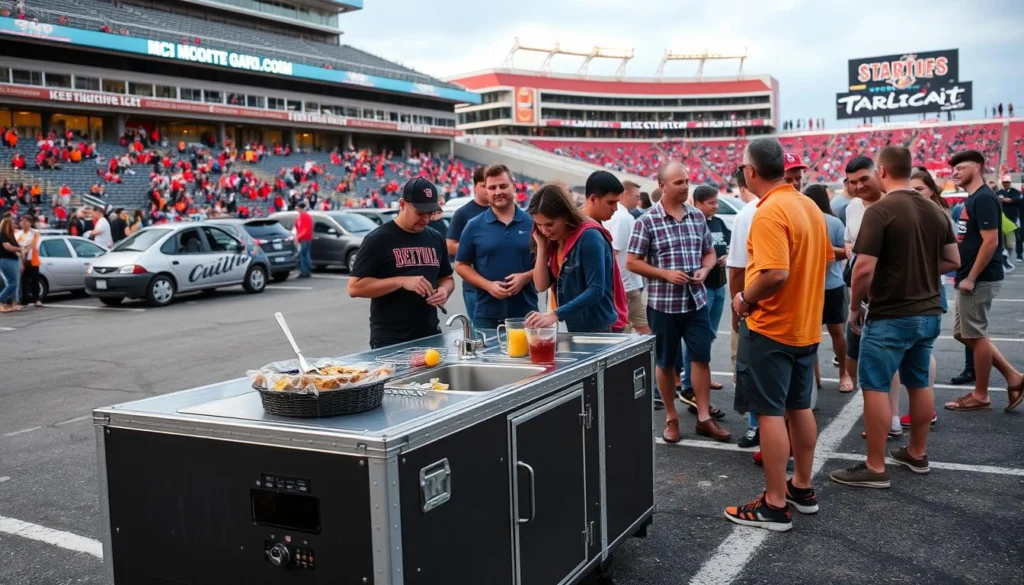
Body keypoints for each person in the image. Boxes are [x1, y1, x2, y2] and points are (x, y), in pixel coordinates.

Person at [831, 147, 960, 488]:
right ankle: (917, 453)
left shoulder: (881, 209)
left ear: (882, 171)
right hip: (929, 311)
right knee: (918, 382)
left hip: (891, 313)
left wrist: (855, 307)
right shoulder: (934, 210)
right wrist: (915, 270)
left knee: (874, 386)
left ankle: (875, 467)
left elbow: (863, 270)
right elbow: (952, 260)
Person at [725, 138, 832, 532]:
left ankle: (774, 503)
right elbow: (820, 260)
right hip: (804, 325)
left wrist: (742, 300)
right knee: (799, 407)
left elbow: (775, 272)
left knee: (770, 413)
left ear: (751, 171)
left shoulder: (768, 211)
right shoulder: (808, 206)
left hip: (772, 327)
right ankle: (801, 486)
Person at [626, 162, 729, 443]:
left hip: (695, 301)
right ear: (662, 186)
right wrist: (665, 274)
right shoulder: (646, 220)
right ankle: (671, 418)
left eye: (686, 180)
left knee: (701, 357)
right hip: (663, 305)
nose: (685, 186)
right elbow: (632, 262)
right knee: (666, 362)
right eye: (678, 182)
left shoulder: (697, 216)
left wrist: (705, 269)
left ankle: (704, 418)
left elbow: (709, 253)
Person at [944, 151, 1024, 412]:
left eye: (960, 167)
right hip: (968, 276)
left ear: (977, 167)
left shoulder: (985, 198)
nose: (954, 172)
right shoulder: (974, 197)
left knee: (975, 335)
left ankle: (981, 394)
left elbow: (990, 241)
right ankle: (1014, 377)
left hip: (978, 278)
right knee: (964, 333)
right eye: (953, 168)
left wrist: (971, 277)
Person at [348, 178, 454, 349]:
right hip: (390, 339)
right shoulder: (378, 239)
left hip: (430, 334)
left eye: (431, 213)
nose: (426, 219)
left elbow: (447, 278)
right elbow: (355, 288)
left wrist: (444, 291)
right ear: (403, 204)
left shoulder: (435, 238)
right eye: (420, 213)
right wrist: (401, 281)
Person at [525, 182, 627, 333]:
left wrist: (555, 315)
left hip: (593, 328)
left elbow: (596, 289)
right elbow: (540, 286)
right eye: (539, 225)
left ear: (565, 216)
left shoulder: (589, 236)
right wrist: (541, 246)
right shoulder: (553, 241)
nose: (544, 230)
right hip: (566, 327)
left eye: (549, 224)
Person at [454, 164, 537, 330]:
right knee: (486, 357)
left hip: (527, 315)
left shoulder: (533, 223)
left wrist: (526, 277)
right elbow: (461, 265)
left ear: (514, 187)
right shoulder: (474, 225)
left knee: (526, 357)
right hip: (486, 316)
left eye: (503, 186)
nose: (498, 191)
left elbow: (549, 263)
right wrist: (488, 285)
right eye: (492, 187)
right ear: (486, 192)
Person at [679, 185, 730, 398]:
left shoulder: (718, 223)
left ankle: (702, 377)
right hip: (702, 288)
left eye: (716, 202)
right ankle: (687, 381)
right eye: (711, 203)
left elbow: (728, 244)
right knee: (696, 337)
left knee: (709, 336)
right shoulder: (692, 224)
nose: (715, 206)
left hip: (719, 286)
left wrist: (728, 255)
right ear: (698, 203)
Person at [804, 184, 852, 393]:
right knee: (814, 334)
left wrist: (823, 250)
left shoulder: (832, 222)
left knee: (834, 331)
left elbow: (847, 251)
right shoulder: (804, 220)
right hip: (812, 287)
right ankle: (817, 377)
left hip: (829, 285)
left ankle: (843, 373)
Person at [727, 167, 762, 447]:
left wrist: (737, 307)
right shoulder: (804, 206)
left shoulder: (747, 213)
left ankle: (755, 426)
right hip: (795, 309)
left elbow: (737, 270)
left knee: (748, 367)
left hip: (756, 306)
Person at [603, 175, 650, 335]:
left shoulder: (617, 216)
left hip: (623, 283)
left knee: (637, 327)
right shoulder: (624, 218)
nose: (638, 201)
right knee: (638, 328)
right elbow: (614, 253)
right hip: (626, 284)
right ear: (626, 194)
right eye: (636, 196)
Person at [446, 166, 490, 320]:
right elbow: (450, 246)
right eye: (484, 186)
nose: (488, 190)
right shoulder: (463, 213)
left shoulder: (504, 211)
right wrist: (479, 248)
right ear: (475, 187)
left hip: (503, 283)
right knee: (479, 332)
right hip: (474, 286)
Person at [16, 214, 41, 307]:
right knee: (23, 281)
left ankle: (36, 299)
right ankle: (24, 299)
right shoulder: (18, 234)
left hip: (32, 260)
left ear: (30, 223)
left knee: (34, 280)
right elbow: (17, 245)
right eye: (22, 221)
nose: (23, 223)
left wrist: (25, 248)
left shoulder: (35, 233)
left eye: (25, 221)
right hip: (21, 260)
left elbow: (35, 245)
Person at [996, 175, 1022, 261]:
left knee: (1017, 236)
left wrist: (1003, 199)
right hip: (1002, 218)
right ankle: (1003, 255)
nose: (1005, 184)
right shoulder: (999, 192)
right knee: (1002, 238)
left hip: (1013, 217)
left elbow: (1014, 200)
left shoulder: (1015, 192)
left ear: (1010, 182)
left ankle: (1019, 254)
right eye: (1004, 182)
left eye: (1007, 182)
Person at [0, 216, 22, 313]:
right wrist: (19, 249)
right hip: (6, 260)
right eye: (12, 223)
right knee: (12, 283)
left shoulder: (10, 236)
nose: (14, 225)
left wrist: (19, 249)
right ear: (8, 224)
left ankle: (14, 303)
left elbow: (16, 247)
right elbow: (8, 247)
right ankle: (1, 300)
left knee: (14, 282)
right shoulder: (2, 235)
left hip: (13, 260)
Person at [294, 201, 313, 278]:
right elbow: (298, 227)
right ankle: (306, 271)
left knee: (303, 255)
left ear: (301, 208)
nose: (297, 210)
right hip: (303, 238)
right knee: (305, 255)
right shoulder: (301, 216)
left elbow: (305, 230)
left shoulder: (305, 217)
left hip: (305, 238)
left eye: (298, 208)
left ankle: (304, 271)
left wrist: (298, 237)